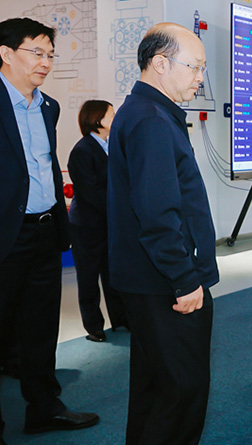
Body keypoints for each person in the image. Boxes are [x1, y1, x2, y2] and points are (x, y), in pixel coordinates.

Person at [107, 22, 218, 444]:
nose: (200, 77)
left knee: (155, 388)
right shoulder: (151, 119)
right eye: (195, 67)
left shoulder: (148, 112)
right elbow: (157, 213)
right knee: (180, 393)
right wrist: (185, 279)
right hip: (165, 284)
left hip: (152, 280)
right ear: (160, 63)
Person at [0, 17, 100, 439]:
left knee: (40, 328)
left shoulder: (48, 106)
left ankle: (44, 408)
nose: (45, 62)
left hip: (43, 232)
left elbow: (45, 168)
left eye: (50, 55)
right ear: (6, 54)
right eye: (36, 53)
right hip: (5, 236)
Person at [68, 100, 128, 342]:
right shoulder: (82, 151)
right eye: (111, 115)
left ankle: (120, 319)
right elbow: (91, 192)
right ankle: (94, 327)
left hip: (108, 223)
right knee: (88, 278)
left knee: (113, 274)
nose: (115, 118)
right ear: (97, 120)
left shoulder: (111, 145)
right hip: (87, 226)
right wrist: (120, 209)